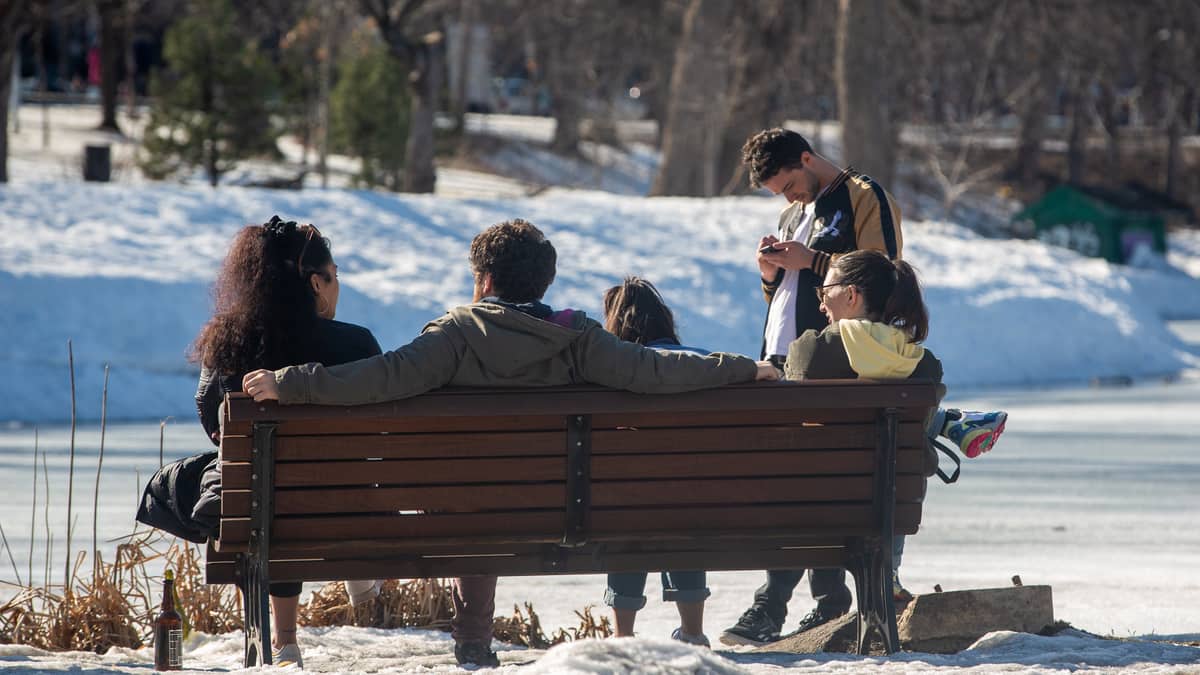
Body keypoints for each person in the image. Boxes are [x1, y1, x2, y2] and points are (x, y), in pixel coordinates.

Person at [241, 219, 780, 667]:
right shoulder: (579, 338)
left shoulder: (454, 336)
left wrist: (292, 382)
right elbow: (656, 369)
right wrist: (740, 369)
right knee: (495, 493)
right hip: (564, 512)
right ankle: (475, 634)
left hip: (464, 520)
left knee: (469, 493)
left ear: (484, 280)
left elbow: (381, 377)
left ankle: (473, 638)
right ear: (543, 283)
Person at [722, 129, 1007, 646]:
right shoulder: (793, 215)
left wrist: (809, 262)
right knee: (811, 485)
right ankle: (822, 603)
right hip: (789, 356)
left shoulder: (862, 196)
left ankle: (792, 605)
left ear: (807, 159)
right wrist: (771, 274)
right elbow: (792, 292)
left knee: (812, 485)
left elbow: (883, 275)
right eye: (779, 194)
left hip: (834, 361)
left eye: (789, 185)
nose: (788, 199)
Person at [190, 216, 384, 668]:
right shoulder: (356, 343)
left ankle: (285, 639)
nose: (337, 288)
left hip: (257, 512)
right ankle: (350, 584)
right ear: (316, 283)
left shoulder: (228, 345)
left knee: (257, 488)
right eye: (334, 278)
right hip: (346, 507)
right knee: (311, 484)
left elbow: (210, 418)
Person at [600, 277, 714, 647]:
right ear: (665, 319)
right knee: (684, 504)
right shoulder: (707, 364)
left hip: (624, 509)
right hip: (698, 508)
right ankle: (693, 633)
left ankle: (623, 636)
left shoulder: (609, 371)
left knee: (629, 511)